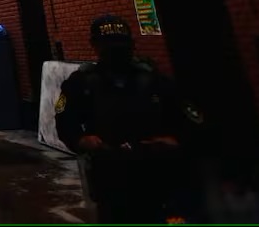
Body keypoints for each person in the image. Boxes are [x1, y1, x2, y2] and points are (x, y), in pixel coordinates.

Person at [55, 14, 204, 223]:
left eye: (120, 45)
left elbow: (190, 118)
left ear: (132, 45)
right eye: (108, 46)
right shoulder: (82, 83)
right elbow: (64, 120)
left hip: (157, 173)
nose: (115, 51)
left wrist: (176, 140)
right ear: (95, 47)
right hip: (110, 174)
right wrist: (80, 140)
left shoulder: (154, 81)